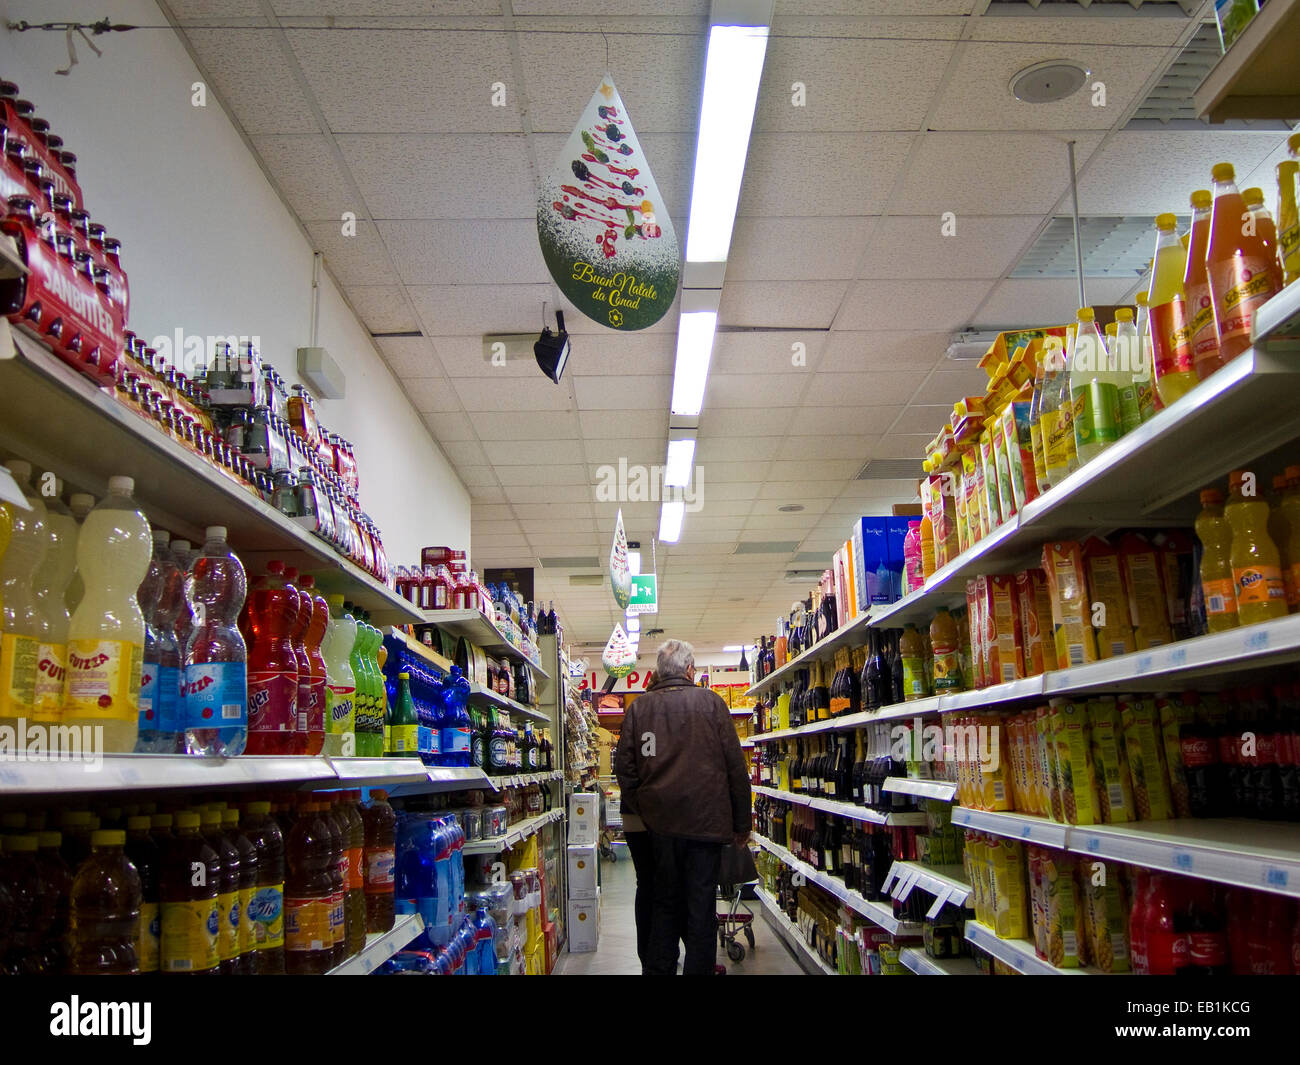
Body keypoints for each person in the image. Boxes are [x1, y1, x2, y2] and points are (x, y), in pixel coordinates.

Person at [614, 639, 752, 975]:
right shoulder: (713, 704)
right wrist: (741, 824)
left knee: (664, 905)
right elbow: (736, 768)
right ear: (690, 671)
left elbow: (625, 770)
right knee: (701, 909)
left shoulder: (639, 709)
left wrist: (645, 809)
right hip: (706, 826)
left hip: (659, 828)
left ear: (659, 672)